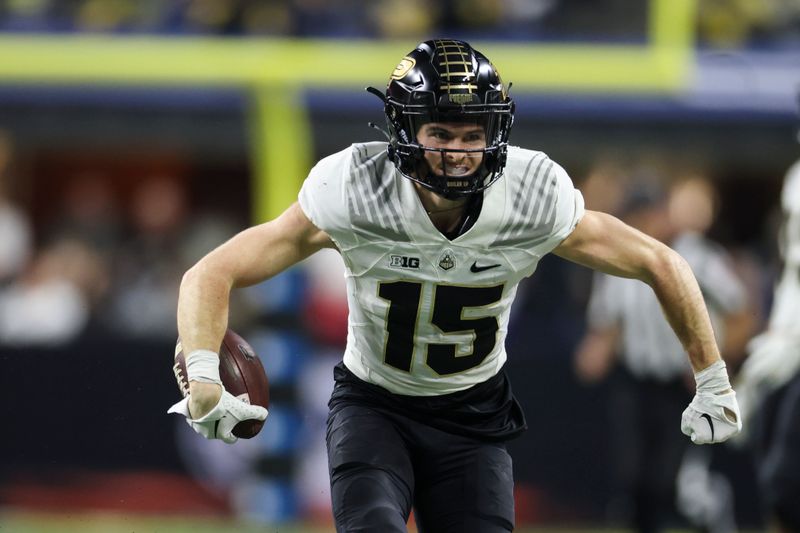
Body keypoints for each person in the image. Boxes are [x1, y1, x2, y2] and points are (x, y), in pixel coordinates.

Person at [168, 39, 742, 532]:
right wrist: (201, 377)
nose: (458, 153)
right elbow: (211, 272)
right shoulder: (355, 188)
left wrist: (712, 377)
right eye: (440, 131)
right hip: (375, 406)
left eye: (473, 134)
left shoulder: (530, 192)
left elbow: (659, 262)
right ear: (403, 128)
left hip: (473, 417)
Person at [574, 180, 753, 533]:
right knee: (632, 479)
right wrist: (595, 352)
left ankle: (712, 515)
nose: (644, 223)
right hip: (635, 382)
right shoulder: (616, 260)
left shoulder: (697, 257)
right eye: (636, 216)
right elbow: (607, 325)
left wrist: (714, 367)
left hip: (680, 385)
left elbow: (740, 315)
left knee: (672, 481)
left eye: (648, 214)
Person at [735, 157, 800, 532]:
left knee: (785, 482)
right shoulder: (795, 178)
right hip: (789, 347)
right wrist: (782, 334)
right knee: (777, 483)